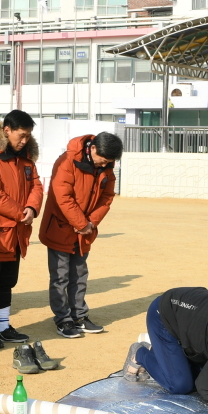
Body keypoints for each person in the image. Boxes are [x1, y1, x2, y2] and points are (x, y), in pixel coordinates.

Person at [40, 131, 122, 338]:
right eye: (102, 161)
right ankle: (63, 319)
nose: (104, 165)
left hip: (84, 231)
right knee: (60, 277)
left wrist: (91, 223)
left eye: (108, 162)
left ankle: (79, 316)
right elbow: (62, 196)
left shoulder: (107, 167)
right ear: (92, 148)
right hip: (60, 227)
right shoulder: (67, 161)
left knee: (80, 274)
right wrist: (81, 222)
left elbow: (107, 197)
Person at [0, 109, 43, 350]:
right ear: (7, 131)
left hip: (16, 234)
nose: (24, 141)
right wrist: (20, 212)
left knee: (7, 282)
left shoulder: (26, 158)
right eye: (21, 136)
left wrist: (33, 207)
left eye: (28, 136)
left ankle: (3, 326)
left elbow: (36, 185)